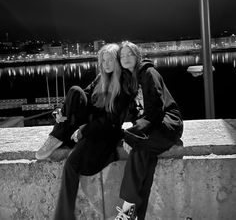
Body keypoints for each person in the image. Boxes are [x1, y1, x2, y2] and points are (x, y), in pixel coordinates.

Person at [36, 43, 132, 220]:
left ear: (117, 61)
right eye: (103, 60)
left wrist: (84, 130)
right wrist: (60, 110)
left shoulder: (124, 85)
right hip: (88, 127)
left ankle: (63, 217)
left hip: (103, 135)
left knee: (71, 163)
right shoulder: (100, 78)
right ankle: (56, 136)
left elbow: (110, 121)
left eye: (110, 59)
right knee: (74, 91)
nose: (106, 63)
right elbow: (84, 96)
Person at [115, 41, 183, 220]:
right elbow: (132, 113)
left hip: (167, 125)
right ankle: (136, 215)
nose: (126, 58)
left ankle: (127, 209)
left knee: (139, 147)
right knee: (145, 159)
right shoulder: (129, 81)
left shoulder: (148, 73)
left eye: (130, 54)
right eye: (122, 56)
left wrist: (132, 136)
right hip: (151, 128)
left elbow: (156, 109)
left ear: (137, 56)